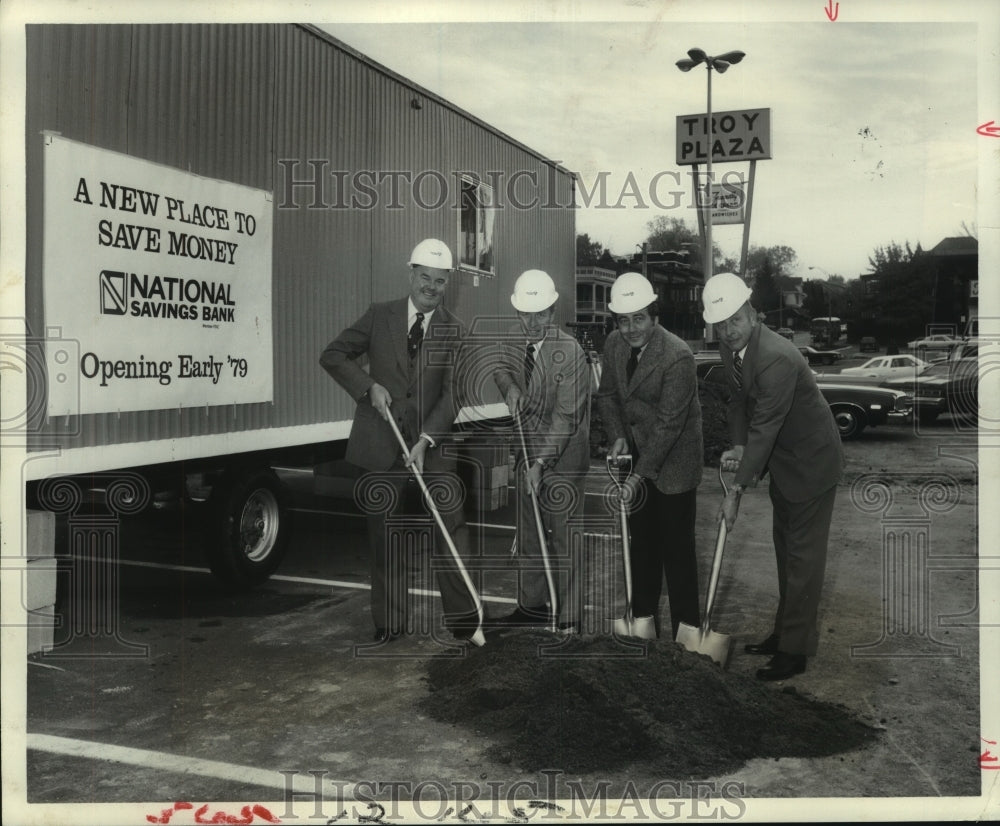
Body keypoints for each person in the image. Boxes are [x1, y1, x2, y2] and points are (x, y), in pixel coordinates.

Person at [320, 238, 483, 646]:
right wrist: (368, 386)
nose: (431, 287)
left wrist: (426, 440)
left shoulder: (455, 331)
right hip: (382, 441)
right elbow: (334, 354)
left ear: (448, 283)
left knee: (452, 527)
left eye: (440, 281)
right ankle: (389, 622)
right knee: (384, 533)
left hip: (434, 445)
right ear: (411, 274)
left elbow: (454, 394)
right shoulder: (380, 315)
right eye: (425, 277)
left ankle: (465, 622)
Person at [704, 272, 844, 681]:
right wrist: (738, 446)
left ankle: (794, 652)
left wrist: (736, 491)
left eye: (735, 320)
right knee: (787, 553)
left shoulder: (776, 357)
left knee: (803, 561)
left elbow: (765, 426)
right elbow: (738, 404)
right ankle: (785, 632)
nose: (729, 331)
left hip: (811, 464)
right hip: (784, 463)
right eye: (721, 325)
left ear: (753, 314)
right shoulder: (733, 349)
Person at [595, 272, 703, 640]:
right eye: (623, 320)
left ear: (654, 316)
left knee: (677, 552)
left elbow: (669, 426)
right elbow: (607, 395)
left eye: (638, 318)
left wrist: (638, 477)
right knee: (641, 546)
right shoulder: (614, 344)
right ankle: (643, 627)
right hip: (638, 451)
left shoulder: (677, 356)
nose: (631, 329)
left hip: (675, 461)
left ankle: (687, 637)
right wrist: (617, 436)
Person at [491, 269, 591, 634]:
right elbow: (501, 368)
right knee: (529, 531)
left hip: (563, 456)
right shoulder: (512, 339)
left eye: (540, 314)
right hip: (526, 448)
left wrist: (540, 463)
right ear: (517, 312)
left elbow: (566, 417)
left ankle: (569, 618)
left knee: (565, 536)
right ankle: (531, 606)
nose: (532, 323)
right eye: (525, 314)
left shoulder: (571, 351)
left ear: (552, 311)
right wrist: (509, 387)